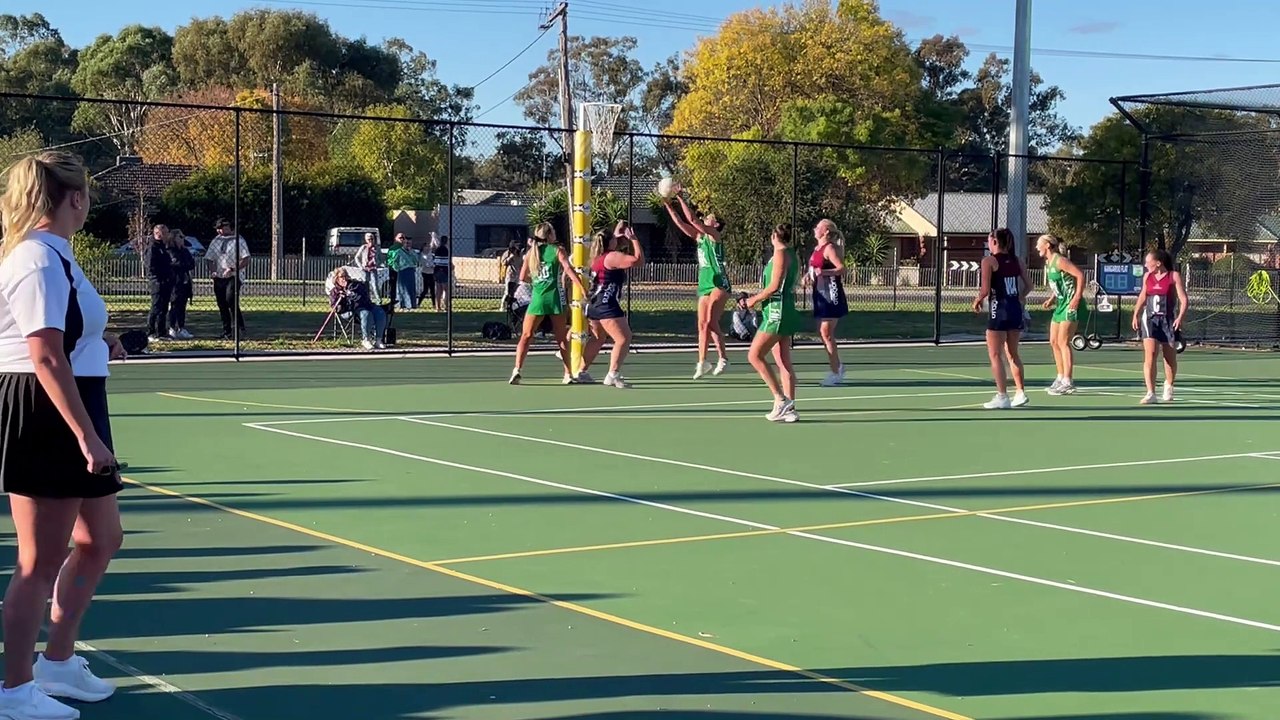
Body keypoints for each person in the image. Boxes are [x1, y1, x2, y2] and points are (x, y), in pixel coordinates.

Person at [0, 151, 127, 720]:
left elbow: (68, 337)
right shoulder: (36, 259)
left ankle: (56, 664)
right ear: (75, 198)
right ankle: (14, 689)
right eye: (87, 195)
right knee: (39, 558)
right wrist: (86, 437)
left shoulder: (56, 256)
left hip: (76, 401)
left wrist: (103, 344)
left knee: (101, 539)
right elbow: (45, 355)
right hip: (46, 412)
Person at [663, 185, 730, 379]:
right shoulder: (700, 238)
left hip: (719, 283)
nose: (705, 218)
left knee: (710, 321)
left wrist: (680, 197)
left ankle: (723, 358)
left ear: (715, 224)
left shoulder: (715, 237)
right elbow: (682, 223)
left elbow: (692, 219)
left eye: (709, 218)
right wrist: (669, 205)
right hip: (704, 283)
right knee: (702, 324)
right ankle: (702, 362)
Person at [510, 223, 587, 385]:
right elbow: (569, 269)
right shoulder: (558, 251)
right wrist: (581, 288)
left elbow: (523, 277)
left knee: (526, 335)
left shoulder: (532, 252)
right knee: (561, 338)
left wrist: (538, 282)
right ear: (550, 235)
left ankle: (517, 369)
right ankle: (567, 374)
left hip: (538, 298)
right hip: (555, 299)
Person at [746, 223, 802, 423]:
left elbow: (774, 287)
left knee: (754, 355)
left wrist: (753, 300)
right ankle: (790, 408)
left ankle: (780, 399)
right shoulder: (792, 254)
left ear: (773, 236)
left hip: (777, 312)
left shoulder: (780, 254)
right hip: (784, 309)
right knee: (783, 360)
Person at [579, 222, 645, 388]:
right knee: (623, 338)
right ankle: (612, 374)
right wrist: (634, 239)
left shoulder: (599, 256)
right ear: (610, 243)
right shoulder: (612, 257)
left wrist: (618, 234)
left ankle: (582, 371)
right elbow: (638, 261)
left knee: (598, 338)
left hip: (593, 304)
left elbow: (614, 242)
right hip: (606, 304)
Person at [972, 228, 1032, 409]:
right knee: (1013, 353)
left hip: (999, 309)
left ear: (995, 242)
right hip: (1015, 310)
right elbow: (1029, 285)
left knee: (995, 354)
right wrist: (1019, 298)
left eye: (990, 240)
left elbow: (984, 290)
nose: (988, 243)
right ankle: (1020, 392)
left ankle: (1002, 396)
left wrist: (977, 300)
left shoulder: (989, 261)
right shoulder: (1017, 260)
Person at [1131, 248, 1188, 404]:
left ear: (1158, 263)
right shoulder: (1147, 277)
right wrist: (1136, 313)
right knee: (1150, 355)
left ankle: (1169, 385)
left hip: (1168, 320)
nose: (1145, 265)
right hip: (1150, 320)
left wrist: (1180, 318)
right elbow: (1143, 295)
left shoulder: (1173, 276)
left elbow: (1183, 299)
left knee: (1169, 357)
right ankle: (1150, 392)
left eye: (1148, 262)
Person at [1036, 234, 1085, 395]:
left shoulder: (1060, 260)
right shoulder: (1048, 263)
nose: (1037, 247)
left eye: (1039, 244)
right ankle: (1060, 376)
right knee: (1053, 341)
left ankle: (1068, 381)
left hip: (1070, 305)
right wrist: (1051, 298)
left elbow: (1079, 275)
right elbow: (1060, 284)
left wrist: (1077, 297)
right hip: (1060, 305)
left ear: (1048, 245)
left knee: (1063, 342)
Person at [809, 218, 848, 386]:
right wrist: (807, 276)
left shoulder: (830, 248)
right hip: (820, 294)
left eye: (818, 227)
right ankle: (837, 366)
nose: (815, 229)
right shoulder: (816, 249)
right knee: (823, 333)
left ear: (825, 231)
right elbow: (814, 269)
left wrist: (823, 272)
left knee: (826, 332)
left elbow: (841, 268)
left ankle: (836, 371)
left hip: (831, 294)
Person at [205, 218, 249, 340]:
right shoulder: (216, 241)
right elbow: (209, 258)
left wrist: (233, 269)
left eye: (222, 227)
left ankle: (239, 329)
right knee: (222, 303)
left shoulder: (239, 240)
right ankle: (227, 331)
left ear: (229, 227)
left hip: (233, 276)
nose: (220, 231)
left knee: (231, 299)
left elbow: (246, 259)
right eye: (218, 229)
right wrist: (213, 271)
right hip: (219, 276)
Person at [329, 267, 386, 350]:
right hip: (349, 310)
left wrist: (351, 294)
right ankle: (366, 340)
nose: (344, 279)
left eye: (345, 276)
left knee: (380, 312)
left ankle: (378, 340)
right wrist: (340, 300)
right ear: (337, 279)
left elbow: (363, 297)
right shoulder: (335, 291)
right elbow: (335, 306)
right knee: (366, 314)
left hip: (365, 305)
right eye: (341, 277)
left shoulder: (356, 285)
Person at [145, 224, 174, 343]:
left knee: (164, 307)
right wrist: (158, 279)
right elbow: (150, 266)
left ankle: (161, 331)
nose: (168, 234)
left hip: (167, 281)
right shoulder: (153, 247)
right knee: (156, 307)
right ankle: (151, 332)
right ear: (158, 233)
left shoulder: (163, 247)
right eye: (166, 232)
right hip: (157, 282)